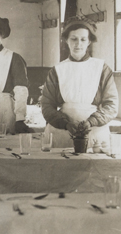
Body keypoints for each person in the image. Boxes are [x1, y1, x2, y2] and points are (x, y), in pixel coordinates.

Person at [42, 18, 118, 150]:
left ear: (89, 41)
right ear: (66, 40)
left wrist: (91, 122)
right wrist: (65, 124)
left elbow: (111, 105)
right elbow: (47, 105)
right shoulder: (57, 70)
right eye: (73, 39)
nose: (78, 44)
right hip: (61, 130)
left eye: (83, 39)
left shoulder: (101, 68)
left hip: (94, 130)